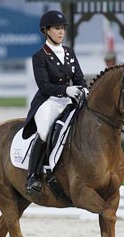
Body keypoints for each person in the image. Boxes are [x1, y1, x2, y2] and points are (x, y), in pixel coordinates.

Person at [22, 10, 88, 194]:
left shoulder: (69, 53)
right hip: (48, 101)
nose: (61, 32)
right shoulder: (40, 56)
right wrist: (65, 90)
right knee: (44, 131)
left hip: (68, 100)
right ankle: (32, 176)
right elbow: (44, 86)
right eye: (57, 29)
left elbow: (79, 78)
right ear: (46, 31)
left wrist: (83, 89)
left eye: (63, 29)